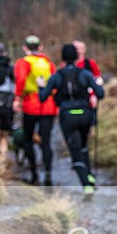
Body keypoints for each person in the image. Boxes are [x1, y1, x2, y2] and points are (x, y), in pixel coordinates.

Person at [39, 44, 104, 194]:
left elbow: (43, 98)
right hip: (85, 114)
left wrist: (41, 86)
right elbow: (100, 94)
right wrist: (98, 86)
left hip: (67, 116)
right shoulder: (85, 74)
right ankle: (89, 175)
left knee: (75, 149)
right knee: (83, 144)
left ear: (62, 57)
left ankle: (86, 184)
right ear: (76, 56)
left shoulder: (57, 76)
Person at [13, 35, 58, 186]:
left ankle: (34, 175)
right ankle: (48, 175)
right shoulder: (48, 63)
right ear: (40, 47)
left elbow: (20, 80)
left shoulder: (23, 63)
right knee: (46, 142)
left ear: (24, 48)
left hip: (30, 105)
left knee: (27, 140)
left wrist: (17, 98)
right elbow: (55, 83)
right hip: (48, 106)